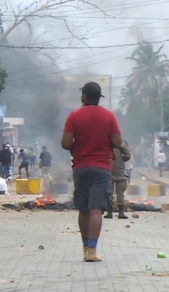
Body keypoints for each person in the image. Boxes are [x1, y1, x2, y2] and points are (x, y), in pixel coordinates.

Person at [61, 81, 122, 262]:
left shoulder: (74, 116)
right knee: (96, 209)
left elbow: (65, 143)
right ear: (99, 98)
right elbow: (117, 142)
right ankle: (92, 251)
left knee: (83, 209)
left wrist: (76, 146)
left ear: (84, 96)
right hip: (102, 168)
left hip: (80, 168)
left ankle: (84, 247)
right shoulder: (109, 116)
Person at [106, 141, 131, 220]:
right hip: (119, 170)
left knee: (109, 192)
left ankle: (109, 212)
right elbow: (127, 156)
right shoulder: (121, 143)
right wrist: (120, 159)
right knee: (120, 193)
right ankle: (121, 212)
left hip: (107, 169)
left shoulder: (104, 142)